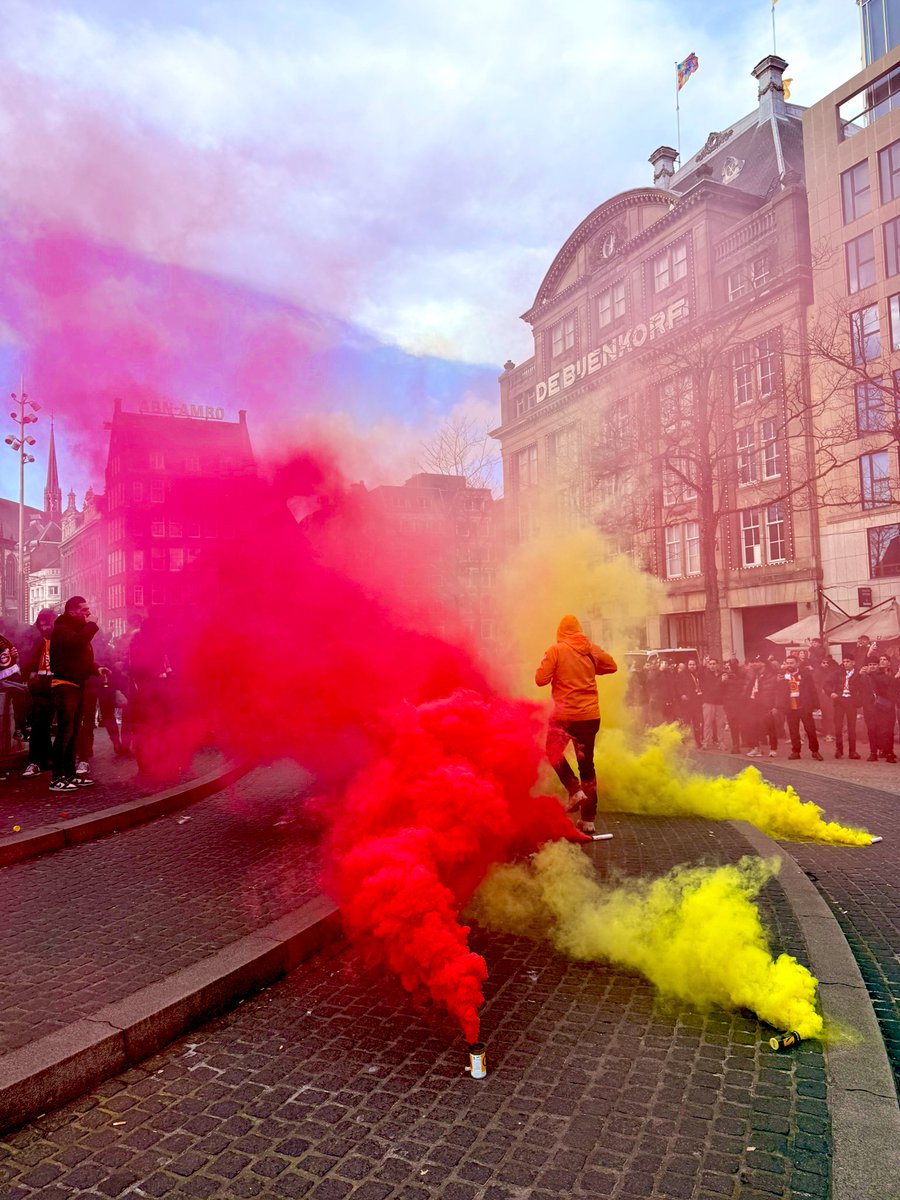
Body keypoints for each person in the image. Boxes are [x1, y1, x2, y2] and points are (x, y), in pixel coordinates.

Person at [535, 614, 617, 838]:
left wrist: (556, 672)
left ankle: (574, 789)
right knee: (587, 766)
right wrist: (588, 670)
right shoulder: (590, 649)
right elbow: (612, 666)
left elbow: (540, 679)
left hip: (565, 716)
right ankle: (588, 820)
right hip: (590, 717)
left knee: (552, 752)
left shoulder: (556, 650)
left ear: (561, 632)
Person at [48, 596, 105, 792]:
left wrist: (95, 668)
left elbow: (78, 656)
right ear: (72, 611)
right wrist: (92, 626)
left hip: (77, 684)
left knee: (73, 733)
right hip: (65, 685)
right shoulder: (62, 629)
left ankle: (70, 774)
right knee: (65, 733)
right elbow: (77, 643)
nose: (88, 613)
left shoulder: (75, 630)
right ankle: (57, 778)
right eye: (84, 610)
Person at [17, 608, 57, 777]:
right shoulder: (36, 638)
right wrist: (30, 673)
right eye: (43, 624)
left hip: (54, 684)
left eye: (48, 624)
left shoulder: (54, 637)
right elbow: (29, 655)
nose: (45, 627)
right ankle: (38, 759)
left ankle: (46, 759)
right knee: (40, 723)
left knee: (45, 724)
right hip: (41, 686)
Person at [777, 653, 823, 761]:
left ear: (797, 664)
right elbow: (779, 692)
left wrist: (816, 704)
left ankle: (815, 751)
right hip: (790, 707)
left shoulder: (805, 675)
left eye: (792, 663)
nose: (789, 665)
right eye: (787, 663)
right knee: (793, 731)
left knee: (810, 730)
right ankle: (796, 751)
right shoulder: (782, 677)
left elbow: (813, 690)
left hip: (804, 707)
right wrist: (780, 706)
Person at [829, 655, 862, 760]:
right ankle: (839, 749)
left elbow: (862, 688)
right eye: (844, 662)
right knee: (838, 726)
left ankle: (852, 751)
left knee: (852, 727)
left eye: (848, 661)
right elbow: (827, 683)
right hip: (839, 700)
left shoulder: (858, 673)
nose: (845, 664)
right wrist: (831, 692)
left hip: (851, 702)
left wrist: (858, 700)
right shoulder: (838, 673)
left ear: (853, 662)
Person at [700, 658, 728, 750]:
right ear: (708, 665)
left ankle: (721, 743)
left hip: (720, 703)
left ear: (717, 665)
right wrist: (703, 661)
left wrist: (725, 679)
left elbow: (727, 685)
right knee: (707, 724)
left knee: (720, 724)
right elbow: (700, 670)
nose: (712, 665)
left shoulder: (722, 674)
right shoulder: (705, 674)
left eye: (714, 664)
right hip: (708, 702)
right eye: (710, 664)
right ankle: (705, 743)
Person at [679, 659, 704, 748]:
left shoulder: (698, 674)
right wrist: (682, 694)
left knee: (697, 723)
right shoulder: (682, 675)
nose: (692, 666)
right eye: (690, 664)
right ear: (687, 665)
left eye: (693, 664)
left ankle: (698, 741)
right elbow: (677, 686)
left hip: (696, 703)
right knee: (686, 722)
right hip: (687, 703)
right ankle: (684, 739)